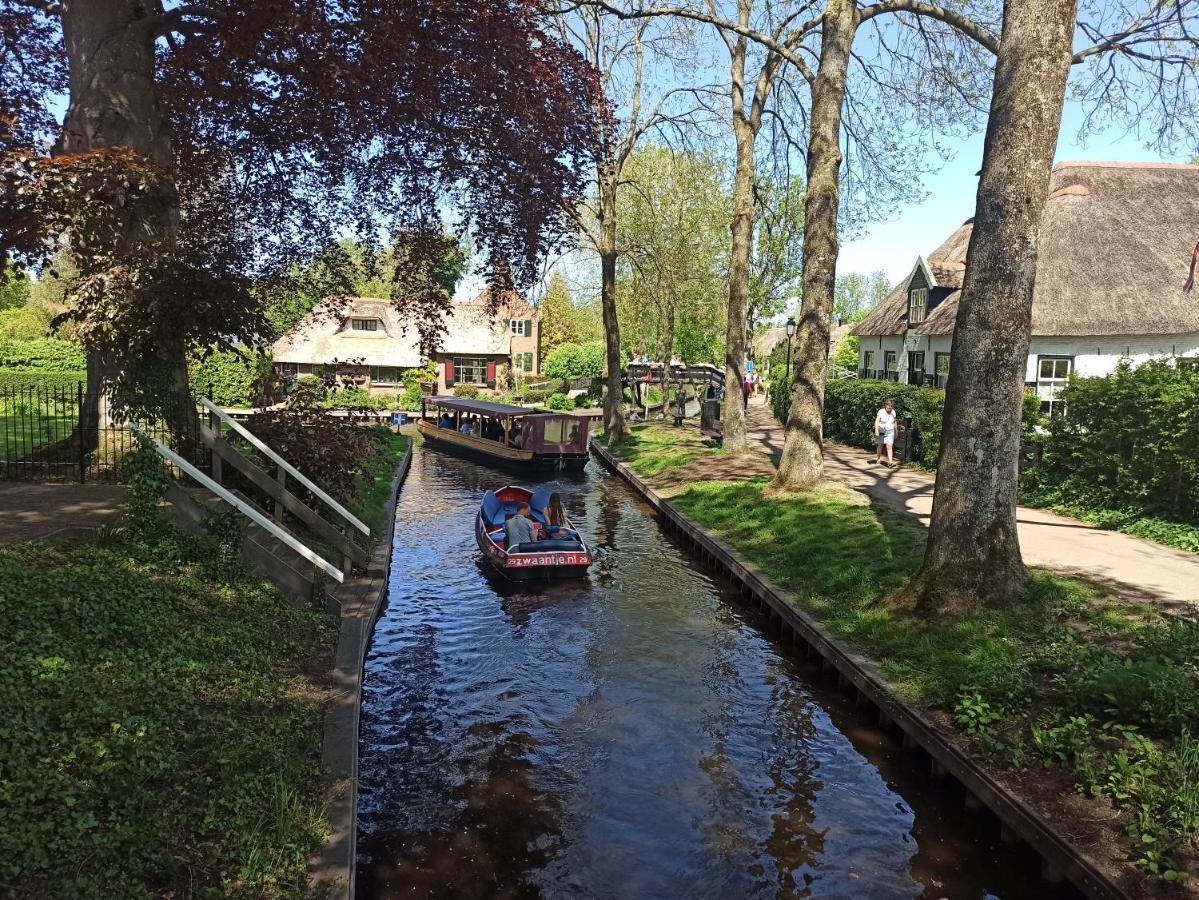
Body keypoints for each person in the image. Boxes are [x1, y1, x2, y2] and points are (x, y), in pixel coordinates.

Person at [875, 399, 897, 467]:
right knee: (880, 445)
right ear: (885, 406)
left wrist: (896, 431)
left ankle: (890, 462)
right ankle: (878, 459)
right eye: (888, 407)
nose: (890, 409)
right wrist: (876, 430)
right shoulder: (881, 412)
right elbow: (877, 421)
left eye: (891, 407)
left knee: (889, 446)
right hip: (881, 431)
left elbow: (895, 422)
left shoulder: (893, 412)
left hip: (890, 431)